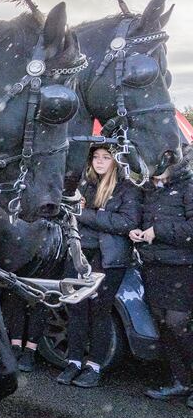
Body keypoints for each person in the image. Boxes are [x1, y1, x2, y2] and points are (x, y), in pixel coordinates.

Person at [56, 145, 140, 388]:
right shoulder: (84, 186)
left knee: (99, 311)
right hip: (78, 255)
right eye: (96, 157)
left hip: (108, 259)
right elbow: (68, 216)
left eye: (106, 157)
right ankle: (73, 361)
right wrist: (91, 214)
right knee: (76, 309)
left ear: (115, 161)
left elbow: (126, 222)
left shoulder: (127, 188)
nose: (99, 162)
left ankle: (94, 366)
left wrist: (85, 214)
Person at [131, 152, 193, 410]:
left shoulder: (187, 187)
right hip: (153, 265)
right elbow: (141, 221)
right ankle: (181, 381)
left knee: (179, 324)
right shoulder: (148, 190)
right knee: (163, 323)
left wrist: (158, 231)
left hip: (181, 267)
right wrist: (134, 231)